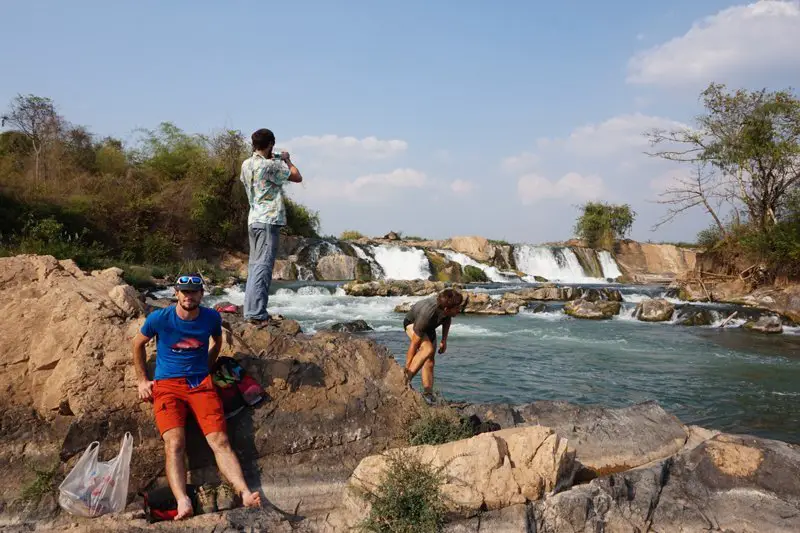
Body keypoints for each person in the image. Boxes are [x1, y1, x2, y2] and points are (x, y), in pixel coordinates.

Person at [132, 274, 261, 520]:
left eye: (194, 292)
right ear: (176, 293)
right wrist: (142, 380)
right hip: (168, 386)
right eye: (184, 292)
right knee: (175, 443)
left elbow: (218, 339)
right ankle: (183, 501)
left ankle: (244, 492)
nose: (189, 296)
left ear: (202, 294)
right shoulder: (160, 318)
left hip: (200, 383)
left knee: (220, 441)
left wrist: (208, 366)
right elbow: (137, 344)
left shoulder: (211, 317)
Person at [239, 128, 303, 326]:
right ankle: (257, 313)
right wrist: (286, 159)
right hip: (268, 220)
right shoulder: (270, 166)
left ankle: (251, 310)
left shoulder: (246, 164)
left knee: (255, 265)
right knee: (264, 267)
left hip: (254, 219)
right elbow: (297, 176)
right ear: (270, 145)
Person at [402, 289, 464, 401]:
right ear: (446, 309)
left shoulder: (447, 309)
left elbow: (447, 319)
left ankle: (428, 394)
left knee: (430, 361)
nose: (459, 310)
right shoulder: (428, 313)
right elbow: (414, 344)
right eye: (457, 308)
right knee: (427, 349)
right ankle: (405, 381)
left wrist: (444, 340)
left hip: (429, 327)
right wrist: (407, 365)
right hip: (413, 323)